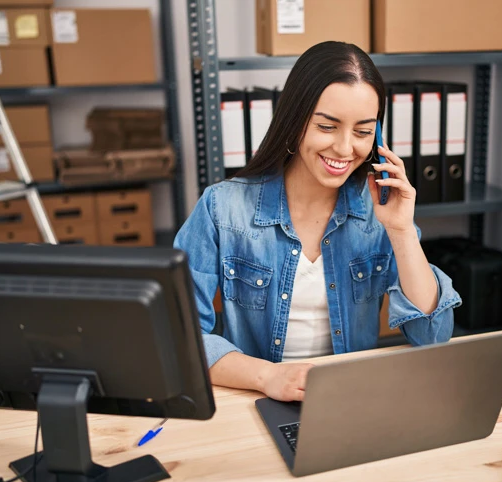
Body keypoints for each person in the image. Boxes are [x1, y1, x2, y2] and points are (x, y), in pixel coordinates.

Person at [175, 41, 462, 403]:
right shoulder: (223, 207)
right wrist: (269, 377)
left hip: (351, 402)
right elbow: (180, 337)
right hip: (256, 398)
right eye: (327, 127)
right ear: (294, 121)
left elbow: (432, 337)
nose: (345, 149)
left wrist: (401, 229)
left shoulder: (378, 213)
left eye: (362, 132)